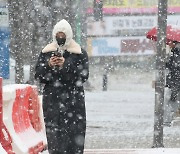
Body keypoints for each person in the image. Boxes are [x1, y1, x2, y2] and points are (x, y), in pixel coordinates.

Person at [34, 19, 89, 154]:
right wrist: (49, 65)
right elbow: (39, 76)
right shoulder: (46, 52)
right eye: (58, 36)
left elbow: (83, 76)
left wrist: (66, 65)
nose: (60, 39)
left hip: (74, 103)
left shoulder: (79, 53)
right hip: (53, 103)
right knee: (55, 141)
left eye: (63, 36)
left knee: (75, 141)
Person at [164, 41, 180, 125]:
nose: (168, 44)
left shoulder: (177, 52)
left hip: (175, 82)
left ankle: (168, 121)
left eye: (169, 43)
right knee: (172, 101)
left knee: (171, 101)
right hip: (174, 81)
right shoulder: (174, 52)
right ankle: (169, 120)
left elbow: (175, 67)